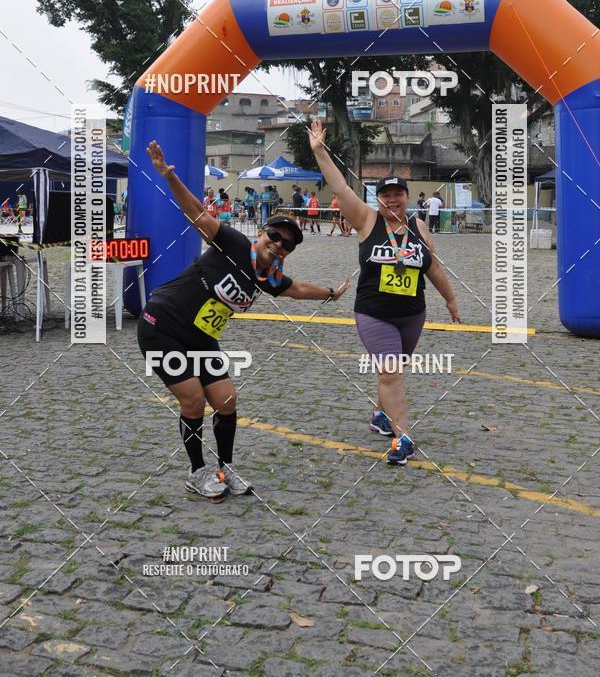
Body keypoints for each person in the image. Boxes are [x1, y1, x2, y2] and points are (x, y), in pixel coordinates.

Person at [139, 141, 350, 499]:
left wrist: (329, 292)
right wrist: (169, 177)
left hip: (202, 338)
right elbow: (196, 214)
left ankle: (226, 469)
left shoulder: (267, 278)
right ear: (262, 233)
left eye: (287, 244)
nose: (278, 245)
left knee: (225, 402)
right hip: (163, 325)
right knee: (193, 402)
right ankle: (197, 472)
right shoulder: (235, 243)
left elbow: (296, 288)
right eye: (275, 236)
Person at [309, 121, 460, 466]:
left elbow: (432, 267)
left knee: (390, 370)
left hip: (412, 314)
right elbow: (340, 186)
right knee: (391, 372)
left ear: (407, 197)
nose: (393, 199)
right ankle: (403, 437)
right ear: (377, 199)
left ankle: (379, 414)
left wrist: (450, 299)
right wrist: (320, 152)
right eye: (386, 195)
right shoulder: (365, 220)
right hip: (373, 313)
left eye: (398, 194)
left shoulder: (419, 226)